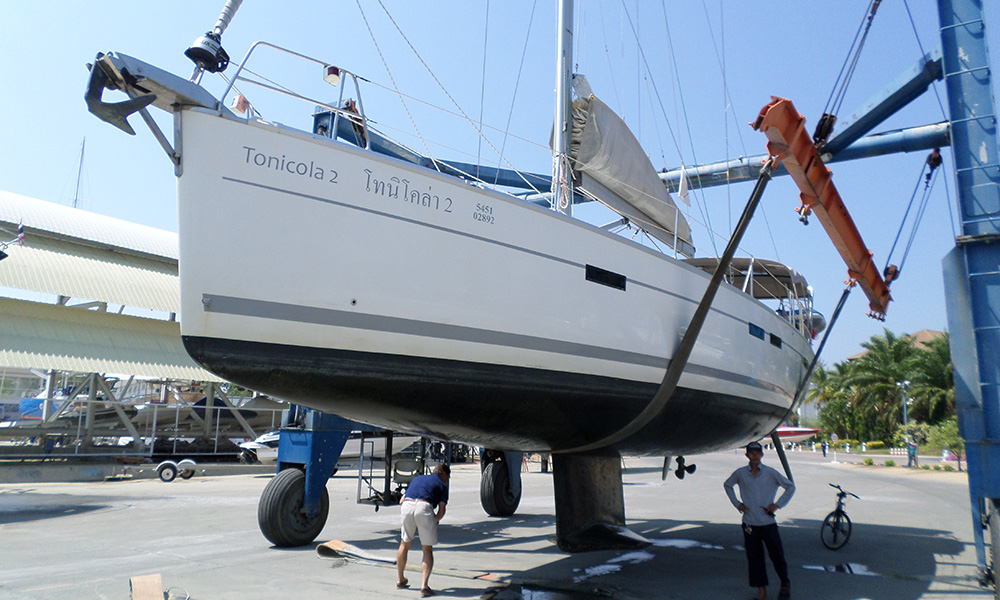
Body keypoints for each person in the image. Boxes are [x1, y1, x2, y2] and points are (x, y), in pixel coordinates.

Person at [724, 441, 795, 600]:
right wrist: (737, 504)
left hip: (768, 523)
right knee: (755, 559)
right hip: (749, 524)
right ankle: (761, 591)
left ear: (762, 454)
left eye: (757, 452)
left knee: (777, 555)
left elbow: (790, 487)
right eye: (751, 452)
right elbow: (728, 485)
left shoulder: (770, 473)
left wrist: (777, 505)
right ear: (747, 455)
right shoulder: (741, 473)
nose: (754, 455)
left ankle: (784, 582)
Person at [397, 463, 450, 597]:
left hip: (407, 505)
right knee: (427, 549)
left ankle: (400, 579)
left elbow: (401, 500)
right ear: (442, 474)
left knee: (404, 544)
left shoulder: (417, 479)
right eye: (447, 477)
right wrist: (435, 521)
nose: (447, 480)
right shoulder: (442, 486)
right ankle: (424, 586)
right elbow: (442, 510)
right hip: (424, 506)